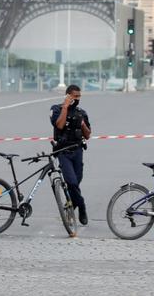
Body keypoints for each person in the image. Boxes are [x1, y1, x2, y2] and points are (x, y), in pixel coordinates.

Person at [50, 84, 92, 225]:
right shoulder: (56, 109)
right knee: (71, 182)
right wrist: (65, 107)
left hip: (77, 151)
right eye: (75, 96)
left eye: (79, 96)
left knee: (76, 183)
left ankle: (72, 205)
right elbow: (60, 125)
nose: (77, 99)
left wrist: (82, 124)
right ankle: (82, 206)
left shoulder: (82, 112)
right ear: (68, 96)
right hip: (63, 151)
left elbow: (87, 135)